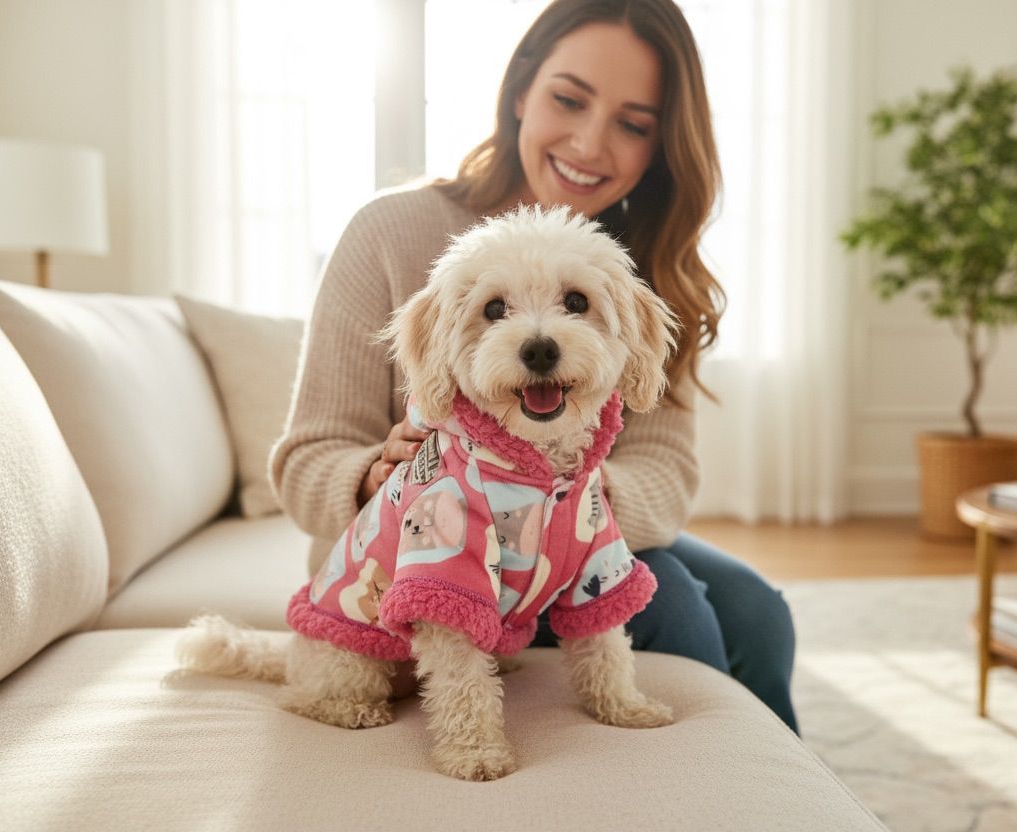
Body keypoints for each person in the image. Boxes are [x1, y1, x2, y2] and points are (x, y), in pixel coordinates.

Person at [269, 0, 799, 733]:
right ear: (521, 91)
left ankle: (784, 793)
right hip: (439, 557)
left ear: (660, 145)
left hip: (574, 523)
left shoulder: (635, 266)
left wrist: (560, 483)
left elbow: (667, 473)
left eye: (633, 123)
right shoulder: (389, 233)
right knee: (677, 608)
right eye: (568, 99)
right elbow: (303, 461)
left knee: (758, 612)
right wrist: (371, 472)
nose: (589, 142)